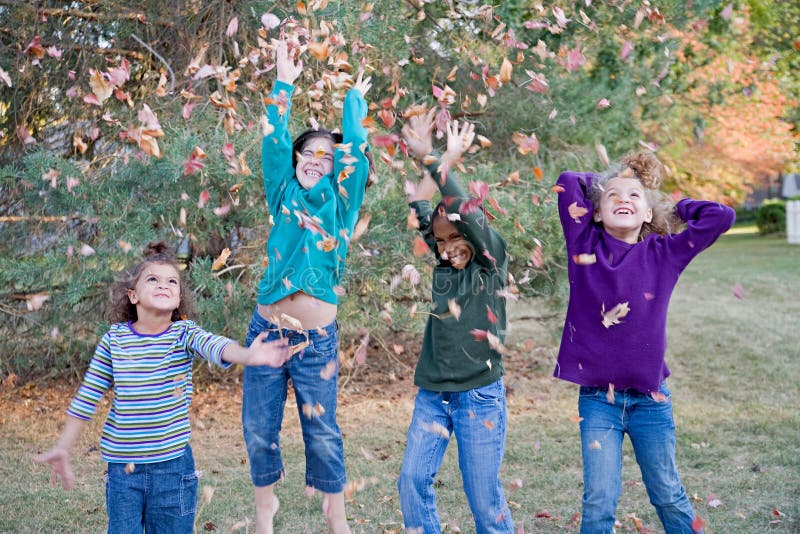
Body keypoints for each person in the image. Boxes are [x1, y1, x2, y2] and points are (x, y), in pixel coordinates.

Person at [33, 242, 291, 533]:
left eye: (172, 281)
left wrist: (247, 355)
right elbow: (87, 397)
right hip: (123, 472)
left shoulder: (184, 333)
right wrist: (63, 447)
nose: (163, 284)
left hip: (172, 468)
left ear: (179, 297)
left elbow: (214, 344)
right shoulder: (114, 340)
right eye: (152, 279)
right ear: (133, 295)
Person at [553, 153, 736, 533]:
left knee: (667, 493)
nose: (623, 200)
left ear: (649, 213)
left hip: (650, 400)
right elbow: (569, 179)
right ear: (597, 213)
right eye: (612, 196)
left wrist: (669, 202)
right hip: (598, 401)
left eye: (635, 197)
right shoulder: (582, 244)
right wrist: (617, 177)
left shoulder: (664, 254)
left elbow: (721, 217)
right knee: (599, 500)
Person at [241, 38, 372, 534]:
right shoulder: (282, 195)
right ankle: (264, 512)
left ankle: (335, 516)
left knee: (321, 432)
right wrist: (284, 84)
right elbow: (273, 142)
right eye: (307, 152)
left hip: (316, 341)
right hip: (267, 331)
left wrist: (352, 107)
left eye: (326, 153)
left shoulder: (340, 205)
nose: (315, 157)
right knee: (259, 429)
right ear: (297, 161)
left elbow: (355, 153)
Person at [397, 111, 515, 533]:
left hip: (479, 396)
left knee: (483, 496)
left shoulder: (490, 263)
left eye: (455, 238)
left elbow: (461, 205)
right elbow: (420, 204)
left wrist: (437, 159)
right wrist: (436, 157)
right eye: (440, 241)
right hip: (433, 392)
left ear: (476, 235)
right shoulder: (445, 265)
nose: (447, 249)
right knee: (411, 481)